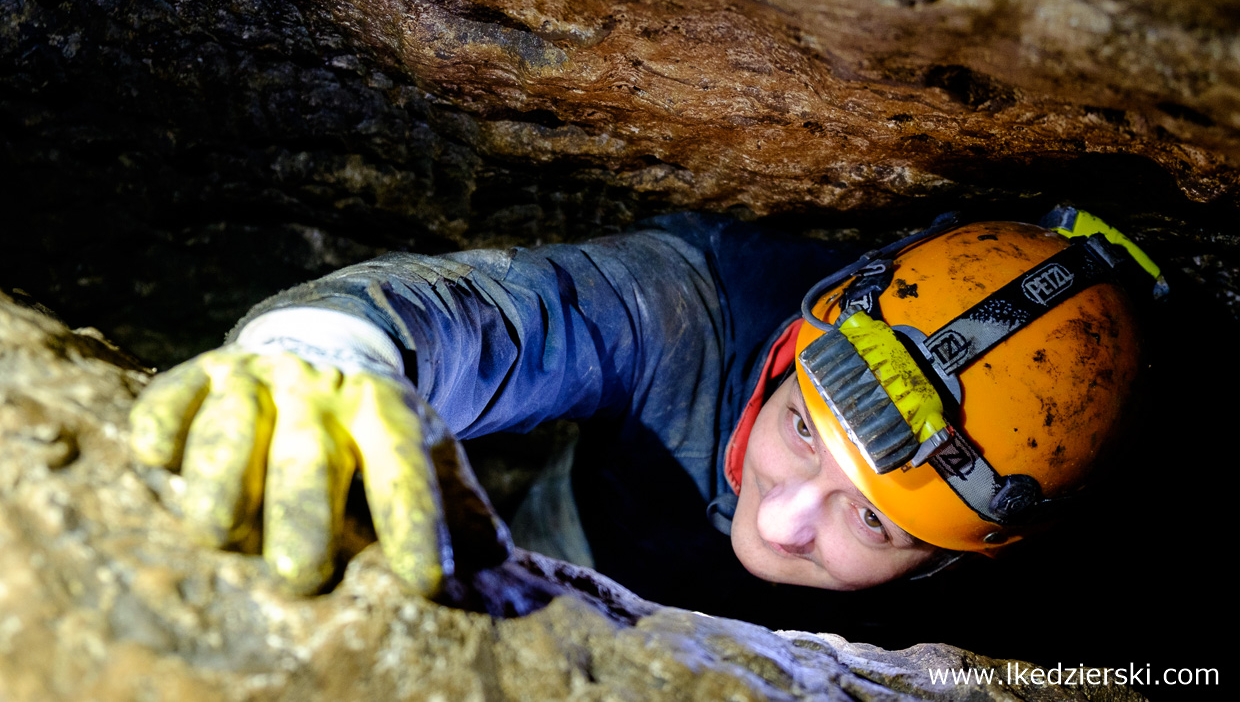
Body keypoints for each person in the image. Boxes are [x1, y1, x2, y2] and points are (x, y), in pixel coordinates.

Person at [128, 206, 1162, 619]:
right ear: (798, 348)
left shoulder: (1042, 572)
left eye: (875, 519)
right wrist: (330, 351)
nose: (784, 516)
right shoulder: (691, 314)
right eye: (803, 425)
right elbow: (506, 318)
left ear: (961, 556)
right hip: (565, 548)